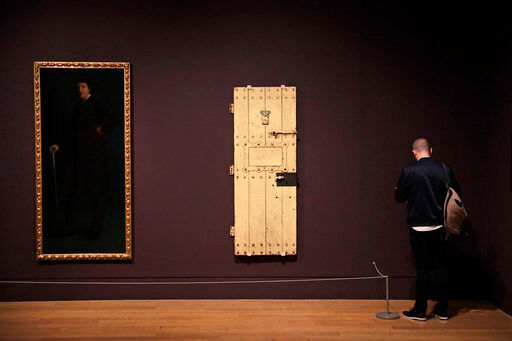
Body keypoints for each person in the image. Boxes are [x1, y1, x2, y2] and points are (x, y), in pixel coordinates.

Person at [394, 138, 461, 321]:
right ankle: (442, 309)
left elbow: (399, 197)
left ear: (414, 152)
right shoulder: (444, 169)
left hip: (418, 226)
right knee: (441, 268)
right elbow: (457, 194)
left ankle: (421, 310)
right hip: (441, 226)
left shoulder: (409, 170)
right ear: (430, 149)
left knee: (422, 269)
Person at [50, 80, 118, 240]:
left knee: (97, 191)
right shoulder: (77, 107)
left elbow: (114, 117)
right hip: (79, 155)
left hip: (95, 156)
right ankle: (71, 226)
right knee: (73, 190)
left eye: (83, 87)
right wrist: (59, 144)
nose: (80, 90)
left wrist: (103, 129)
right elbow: (70, 131)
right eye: (78, 87)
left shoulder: (96, 103)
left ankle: (95, 229)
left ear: (89, 88)